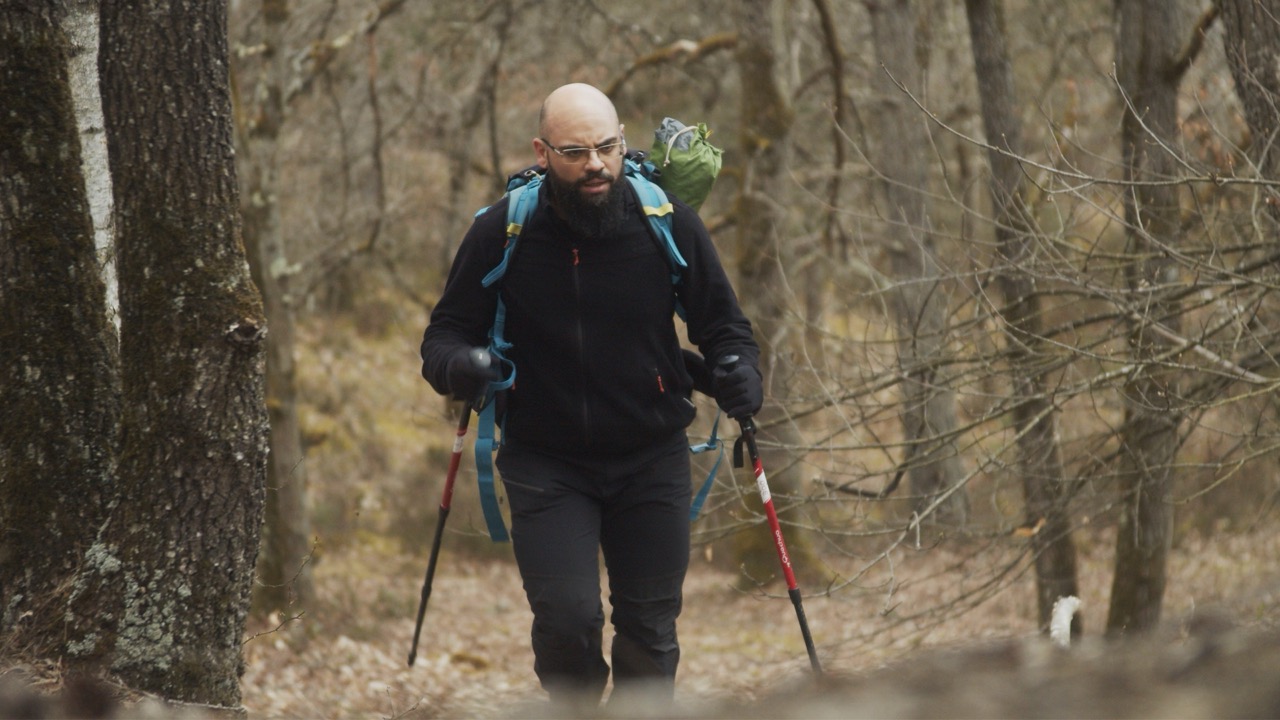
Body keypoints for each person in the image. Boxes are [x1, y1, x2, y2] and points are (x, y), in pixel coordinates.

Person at [419, 83, 762, 710]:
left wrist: (739, 369)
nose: (595, 164)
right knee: (569, 623)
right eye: (575, 152)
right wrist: (460, 365)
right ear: (543, 152)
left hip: (651, 455)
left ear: (623, 142)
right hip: (546, 460)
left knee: (650, 633)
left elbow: (724, 327)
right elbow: (444, 335)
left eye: (606, 147)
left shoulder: (667, 221)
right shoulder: (504, 230)